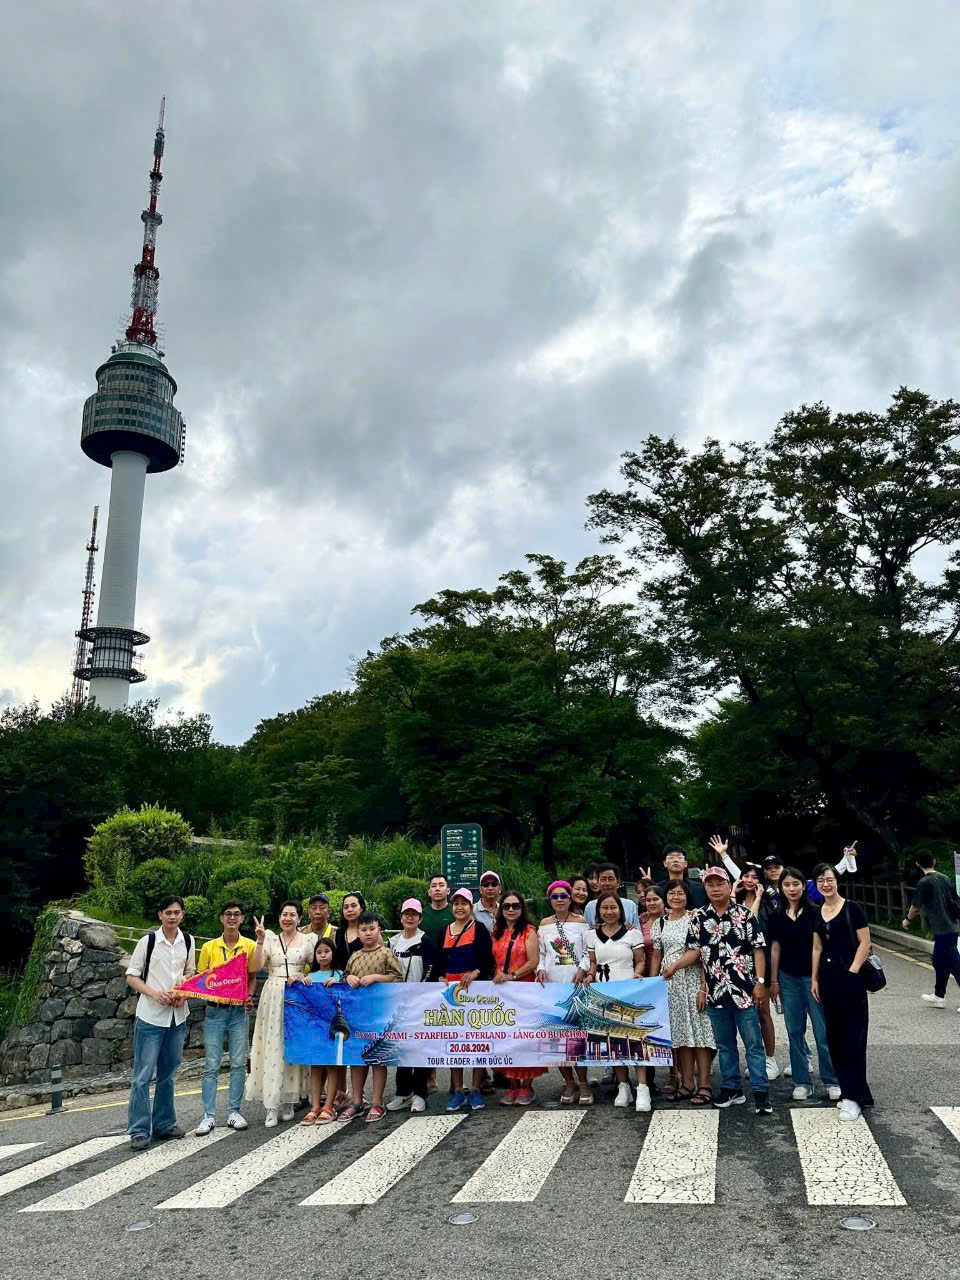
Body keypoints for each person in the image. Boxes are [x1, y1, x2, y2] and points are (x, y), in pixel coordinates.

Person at [672, 865, 772, 1115]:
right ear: (705, 888)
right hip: (715, 992)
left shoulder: (745, 915)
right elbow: (694, 952)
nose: (715, 889)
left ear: (729, 886)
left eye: (720, 884)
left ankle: (761, 1091)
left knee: (753, 1044)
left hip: (744, 991)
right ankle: (731, 1088)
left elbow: (758, 949)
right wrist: (674, 966)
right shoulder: (699, 918)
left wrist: (760, 982)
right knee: (725, 1045)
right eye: (710, 884)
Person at [125, 895, 196, 1149]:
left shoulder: (188, 940)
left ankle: (164, 1124)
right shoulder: (148, 942)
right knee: (143, 1075)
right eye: (168, 912)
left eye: (177, 912)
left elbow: (190, 972)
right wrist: (154, 993)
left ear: (182, 915)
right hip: (151, 1016)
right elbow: (132, 976)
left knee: (168, 1074)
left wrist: (184, 990)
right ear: (160, 915)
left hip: (177, 1016)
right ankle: (139, 1130)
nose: (172, 916)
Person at [768, 868, 840, 1103]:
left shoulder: (816, 912)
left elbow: (821, 947)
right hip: (787, 979)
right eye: (787, 885)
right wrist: (774, 981)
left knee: (822, 1031)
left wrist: (819, 977)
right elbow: (775, 948)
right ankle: (802, 1082)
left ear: (803, 886)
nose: (792, 889)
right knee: (794, 1031)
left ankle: (832, 1080)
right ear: (781, 888)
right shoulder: (776, 915)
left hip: (814, 978)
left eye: (796, 884)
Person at [712, 836, 780, 1082]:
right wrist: (732, 889)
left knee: (763, 1012)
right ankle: (753, 1060)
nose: (750, 880)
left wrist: (759, 899)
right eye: (746, 876)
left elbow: (755, 928)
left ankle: (769, 1059)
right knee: (741, 1016)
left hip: (761, 966)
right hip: (735, 968)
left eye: (755, 877)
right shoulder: (734, 901)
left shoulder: (770, 905)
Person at [811, 862, 875, 1121]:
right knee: (835, 1038)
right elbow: (816, 947)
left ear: (837, 881)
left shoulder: (852, 908)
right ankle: (855, 1092)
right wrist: (814, 978)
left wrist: (853, 970)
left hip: (851, 979)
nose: (825, 884)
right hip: (828, 980)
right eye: (821, 881)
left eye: (829, 879)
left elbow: (865, 942)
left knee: (853, 1038)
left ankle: (853, 1097)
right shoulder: (818, 911)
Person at [246, 901, 314, 1127]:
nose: (287, 918)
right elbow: (256, 967)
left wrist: (305, 977)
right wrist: (259, 940)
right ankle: (271, 1105)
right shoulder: (270, 938)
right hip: (273, 993)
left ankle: (289, 1100)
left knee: (292, 1046)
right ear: (279, 917)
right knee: (273, 1046)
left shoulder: (309, 940)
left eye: (292, 915)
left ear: (299, 918)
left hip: (297, 995)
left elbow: (318, 966)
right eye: (284, 914)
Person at [194, 901, 257, 1136]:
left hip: (238, 1012)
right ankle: (208, 1116)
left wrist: (249, 996)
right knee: (211, 1064)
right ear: (221, 918)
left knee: (239, 1063)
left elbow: (252, 976)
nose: (232, 918)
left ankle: (234, 1111)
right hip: (215, 1011)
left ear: (242, 919)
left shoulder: (249, 946)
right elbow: (202, 978)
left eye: (236, 914)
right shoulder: (209, 947)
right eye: (228, 914)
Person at [651, 881, 715, 1107]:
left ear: (687, 897)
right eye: (672, 893)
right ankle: (687, 1083)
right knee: (680, 1036)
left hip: (692, 980)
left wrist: (703, 987)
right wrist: (652, 984)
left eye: (680, 893)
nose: (676, 897)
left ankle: (704, 1084)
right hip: (670, 985)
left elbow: (700, 953)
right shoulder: (660, 922)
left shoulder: (695, 918)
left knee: (700, 1034)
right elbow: (657, 955)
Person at [336, 912, 404, 1124]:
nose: (368, 933)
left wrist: (376, 977)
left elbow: (398, 978)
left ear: (378, 931)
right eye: (363, 930)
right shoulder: (355, 956)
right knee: (357, 1058)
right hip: (357, 1016)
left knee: (378, 1058)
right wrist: (349, 977)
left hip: (381, 1015)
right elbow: (344, 977)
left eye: (372, 929)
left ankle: (377, 1102)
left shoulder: (386, 954)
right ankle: (357, 1101)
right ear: (358, 932)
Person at [432, 888, 495, 1112]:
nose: (460, 907)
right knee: (454, 1042)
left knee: (477, 1040)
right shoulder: (444, 931)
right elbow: (438, 962)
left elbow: (488, 960)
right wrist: (440, 976)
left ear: (471, 907)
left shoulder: (479, 929)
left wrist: (476, 973)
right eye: (456, 903)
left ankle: (476, 1088)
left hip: (475, 991)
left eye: (464, 903)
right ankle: (458, 1090)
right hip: (451, 994)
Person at [584, 892, 647, 1109]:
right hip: (604, 993)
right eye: (604, 908)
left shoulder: (633, 934)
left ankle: (643, 1088)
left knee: (634, 1040)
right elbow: (593, 962)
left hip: (628, 992)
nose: (609, 912)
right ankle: (623, 1086)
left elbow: (640, 960)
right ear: (598, 911)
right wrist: (590, 975)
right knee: (613, 1041)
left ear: (620, 910)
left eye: (613, 907)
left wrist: (638, 973)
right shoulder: (591, 935)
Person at [536, 881, 593, 1105]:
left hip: (575, 984)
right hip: (552, 986)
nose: (559, 900)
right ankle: (568, 1082)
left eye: (563, 896)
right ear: (549, 900)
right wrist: (540, 969)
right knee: (556, 1038)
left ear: (570, 898)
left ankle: (584, 1082)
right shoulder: (544, 924)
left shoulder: (581, 922)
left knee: (577, 1037)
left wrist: (583, 969)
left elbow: (589, 951)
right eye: (555, 896)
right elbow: (541, 954)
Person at [492, 892, 547, 1106]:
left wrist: (512, 975)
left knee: (526, 1039)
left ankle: (527, 1086)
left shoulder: (529, 931)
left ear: (522, 908)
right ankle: (513, 1085)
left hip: (524, 990)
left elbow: (533, 961)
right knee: (507, 1039)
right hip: (502, 992)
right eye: (506, 906)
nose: (511, 910)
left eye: (515, 906)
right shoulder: (496, 931)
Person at [387, 898, 439, 1113]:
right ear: (401, 917)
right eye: (406, 914)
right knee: (400, 1047)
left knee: (419, 1047)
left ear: (420, 918)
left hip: (420, 1002)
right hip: (397, 1002)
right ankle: (402, 1092)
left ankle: (419, 1093)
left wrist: (418, 992)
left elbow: (431, 969)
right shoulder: (392, 942)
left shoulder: (425, 941)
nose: (410, 917)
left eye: (414, 914)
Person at [902, 851, 960, 1008]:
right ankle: (939, 996)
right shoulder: (945, 878)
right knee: (939, 961)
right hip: (952, 926)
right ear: (934, 861)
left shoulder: (924, 882)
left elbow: (915, 906)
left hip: (942, 928)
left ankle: (939, 995)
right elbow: (956, 901)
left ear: (918, 864)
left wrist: (907, 920)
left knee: (954, 963)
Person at [332, 892, 366, 971]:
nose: (349, 910)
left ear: (361, 908)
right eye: (346, 907)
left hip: (365, 977)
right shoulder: (338, 933)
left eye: (353, 906)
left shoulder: (370, 932)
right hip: (342, 977)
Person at [421, 874, 455, 948]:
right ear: (429, 892)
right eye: (433, 886)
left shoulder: (455, 912)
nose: (437, 889)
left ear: (448, 891)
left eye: (441, 885)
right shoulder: (421, 915)